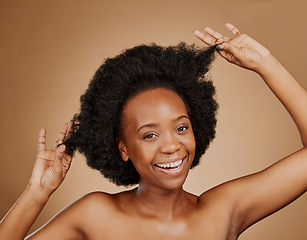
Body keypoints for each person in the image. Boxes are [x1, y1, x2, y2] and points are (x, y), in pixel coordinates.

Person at [0, 23, 306, 239]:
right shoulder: (96, 215)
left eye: (181, 127)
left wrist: (267, 65)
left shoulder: (225, 210)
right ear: (122, 147)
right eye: (150, 134)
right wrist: (37, 193)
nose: (172, 145)